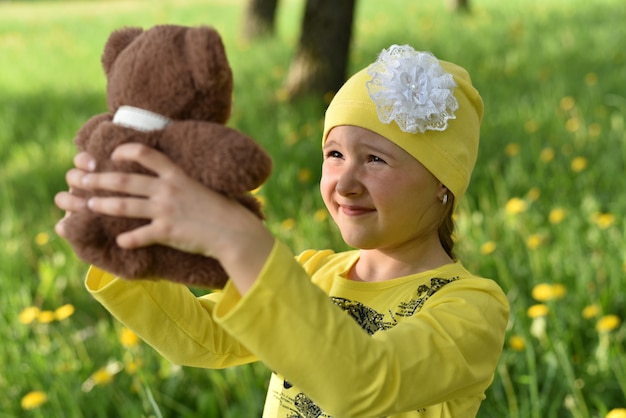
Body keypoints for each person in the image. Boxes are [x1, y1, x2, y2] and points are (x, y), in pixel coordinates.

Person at [55, 45, 509, 418]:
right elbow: (203, 337)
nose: (345, 184)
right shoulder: (313, 273)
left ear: (441, 183)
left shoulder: (471, 308)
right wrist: (121, 239)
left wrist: (242, 242)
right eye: (334, 155)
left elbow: (364, 383)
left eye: (375, 159)